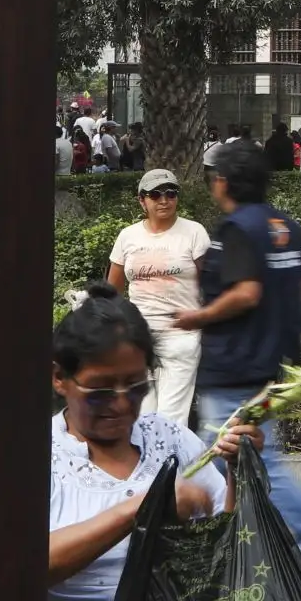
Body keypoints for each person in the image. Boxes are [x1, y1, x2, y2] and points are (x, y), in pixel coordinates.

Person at [175, 140, 301, 596]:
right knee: (227, 459)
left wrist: (194, 316)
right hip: (269, 365)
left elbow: (246, 293)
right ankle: (233, 551)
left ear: (224, 181)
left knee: (251, 463)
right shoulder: (284, 226)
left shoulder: (236, 229)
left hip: (236, 364)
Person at [48, 282, 259, 601]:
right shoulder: (42, 454)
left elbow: (226, 546)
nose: (121, 404)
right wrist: (149, 506)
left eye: (136, 387)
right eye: (101, 390)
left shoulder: (169, 439)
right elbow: (30, 563)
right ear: (59, 378)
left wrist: (238, 471)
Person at [107, 169, 210, 425]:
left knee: (170, 420)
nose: (164, 200)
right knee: (140, 418)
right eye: (155, 195)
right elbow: (112, 291)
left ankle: (172, 464)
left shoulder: (194, 233)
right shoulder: (128, 236)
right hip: (138, 338)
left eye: (170, 193)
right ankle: (149, 466)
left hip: (181, 336)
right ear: (142, 200)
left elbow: (210, 284)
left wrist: (205, 319)